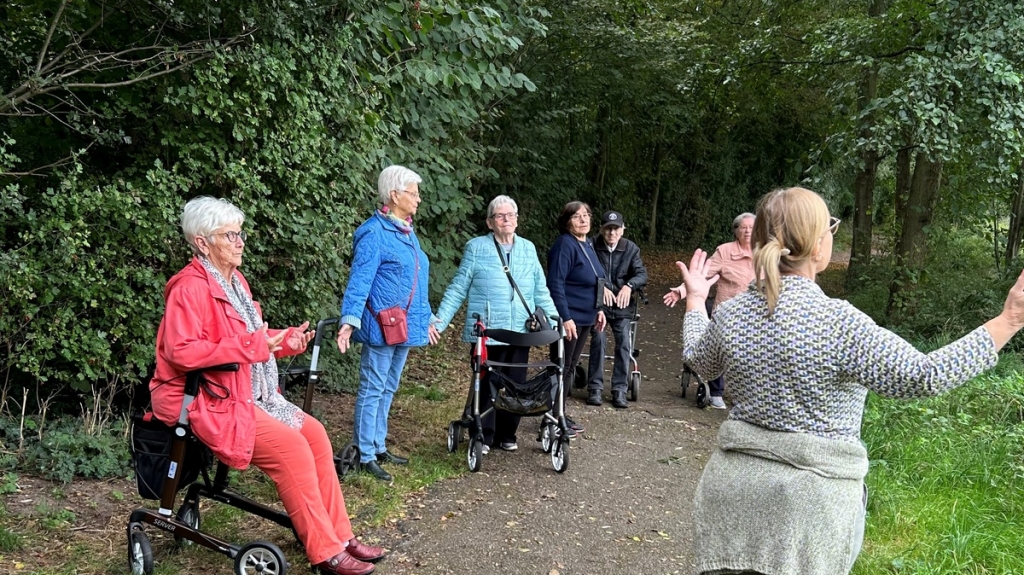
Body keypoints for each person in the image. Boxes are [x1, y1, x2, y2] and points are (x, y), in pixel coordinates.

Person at [677, 186, 1024, 575]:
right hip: (810, 514)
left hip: (730, 499)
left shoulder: (732, 314)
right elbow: (923, 375)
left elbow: (698, 363)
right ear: (819, 247)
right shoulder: (838, 323)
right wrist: (1009, 320)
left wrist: (695, 302)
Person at [150, 197, 384, 575]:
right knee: (292, 447)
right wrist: (253, 345)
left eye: (240, 233)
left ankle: (341, 536)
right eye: (230, 235)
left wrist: (285, 339)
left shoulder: (235, 282)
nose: (241, 241)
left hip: (243, 393)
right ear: (202, 242)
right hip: (203, 400)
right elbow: (181, 351)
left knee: (316, 433)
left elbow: (253, 337)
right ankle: (325, 553)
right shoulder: (189, 288)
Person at [430, 195, 558, 452]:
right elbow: (458, 288)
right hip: (487, 331)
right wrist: (439, 321)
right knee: (487, 380)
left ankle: (507, 434)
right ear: (490, 222)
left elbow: (540, 290)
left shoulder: (528, 248)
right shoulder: (476, 248)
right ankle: (483, 434)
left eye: (510, 215)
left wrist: (555, 322)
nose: (506, 219)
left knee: (516, 382)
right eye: (500, 216)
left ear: (517, 220)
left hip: (521, 330)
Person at [337, 165, 432, 482]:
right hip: (381, 324)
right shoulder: (374, 233)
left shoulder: (406, 229)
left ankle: (377, 446)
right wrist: (349, 321)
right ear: (394, 195)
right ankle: (364, 454)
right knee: (373, 387)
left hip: (403, 325)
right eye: (413, 193)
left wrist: (428, 316)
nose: (418, 199)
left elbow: (416, 280)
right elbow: (359, 281)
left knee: (388, 386)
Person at [665, 212, 755, 409]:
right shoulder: (725, 251)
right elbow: (700, 277)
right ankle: (716, 393)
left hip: (755, 315)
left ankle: (748, 393)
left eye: (752, 227)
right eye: (743, 227)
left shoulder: (765, 253)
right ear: (736, 231)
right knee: (719, 350)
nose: (748, 231)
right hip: (726, 312)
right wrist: (680, 292)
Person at [547, 201, 607, 436]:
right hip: (569, 316)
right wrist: (565, 316)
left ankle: (560, 411)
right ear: (566, 222)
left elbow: (596, 279)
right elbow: (555, 283)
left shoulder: (587, 245)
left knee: (570, 366)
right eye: (577, 216)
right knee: (561, 366)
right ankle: (553, 416)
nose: (583, 220)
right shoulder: (565, 244)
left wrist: (599, 309)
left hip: (586, 315)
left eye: (587, 215)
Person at [589, 210, 648, 409]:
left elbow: (641, 274)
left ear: (622, 230)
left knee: (624, 341)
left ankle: (619, 389)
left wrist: (629, 286)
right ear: (601, 230)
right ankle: (595, 387)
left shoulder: (631, 248)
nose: (612, 233)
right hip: (598, 306)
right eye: (608, 229)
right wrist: (601, 286)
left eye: (616, 229)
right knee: (599, 338)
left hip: (622, 307)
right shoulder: (591, 246)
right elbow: (583, 272)